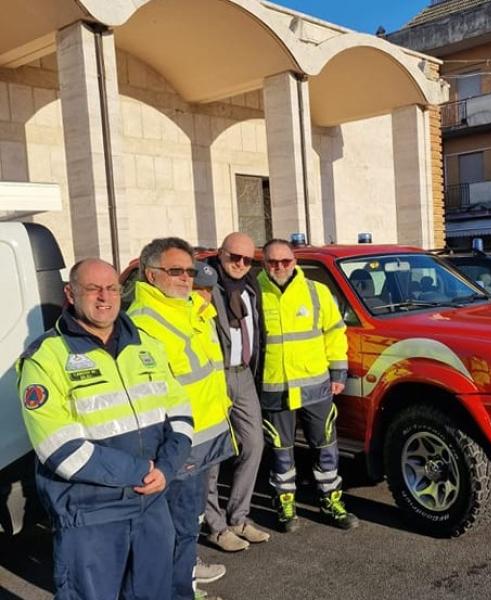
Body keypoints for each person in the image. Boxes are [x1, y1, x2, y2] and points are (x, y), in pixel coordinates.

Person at [17, 258, 193, 600]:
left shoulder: (146, 345)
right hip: (91, 514)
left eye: (112, 287)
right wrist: (143, 471)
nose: (104, 297)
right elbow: (59, 451)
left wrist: (167, 468)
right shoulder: (45, 358)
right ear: (70, 293)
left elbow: (181, 414)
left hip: (152, 503)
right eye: (92, 288)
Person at [128, 238, 234, 600]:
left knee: (189, 526)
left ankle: (183, 586)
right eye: (176, 271)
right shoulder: (143, 322)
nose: (186, 278)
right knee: (174, 530)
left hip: (205, 437)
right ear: (151, 274)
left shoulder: (190, 309)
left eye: (189, 271)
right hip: (178, 446)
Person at [258, 239, 358, 532]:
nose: (280, 267)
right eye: (273, 262)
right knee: (280, 448)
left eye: (285, 261)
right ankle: (285, 502)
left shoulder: (316, 292)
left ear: (294, 261)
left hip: (316, 386)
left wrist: (339, 374)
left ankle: (331, 500)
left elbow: (335, 332)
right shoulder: (254, 294)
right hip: (274, 386)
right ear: (264, 264)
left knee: (325, 445)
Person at [204, 233, 270, 552]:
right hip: (213, 377)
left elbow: (258, 334)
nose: (241, 264)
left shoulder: (250, 287)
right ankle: (215, 526)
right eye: (235, 258)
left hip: (242, 375)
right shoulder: (205, 287)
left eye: (248, 259)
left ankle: (239, 516)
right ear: (221, 254)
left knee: (254, 444)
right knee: (213, 454)